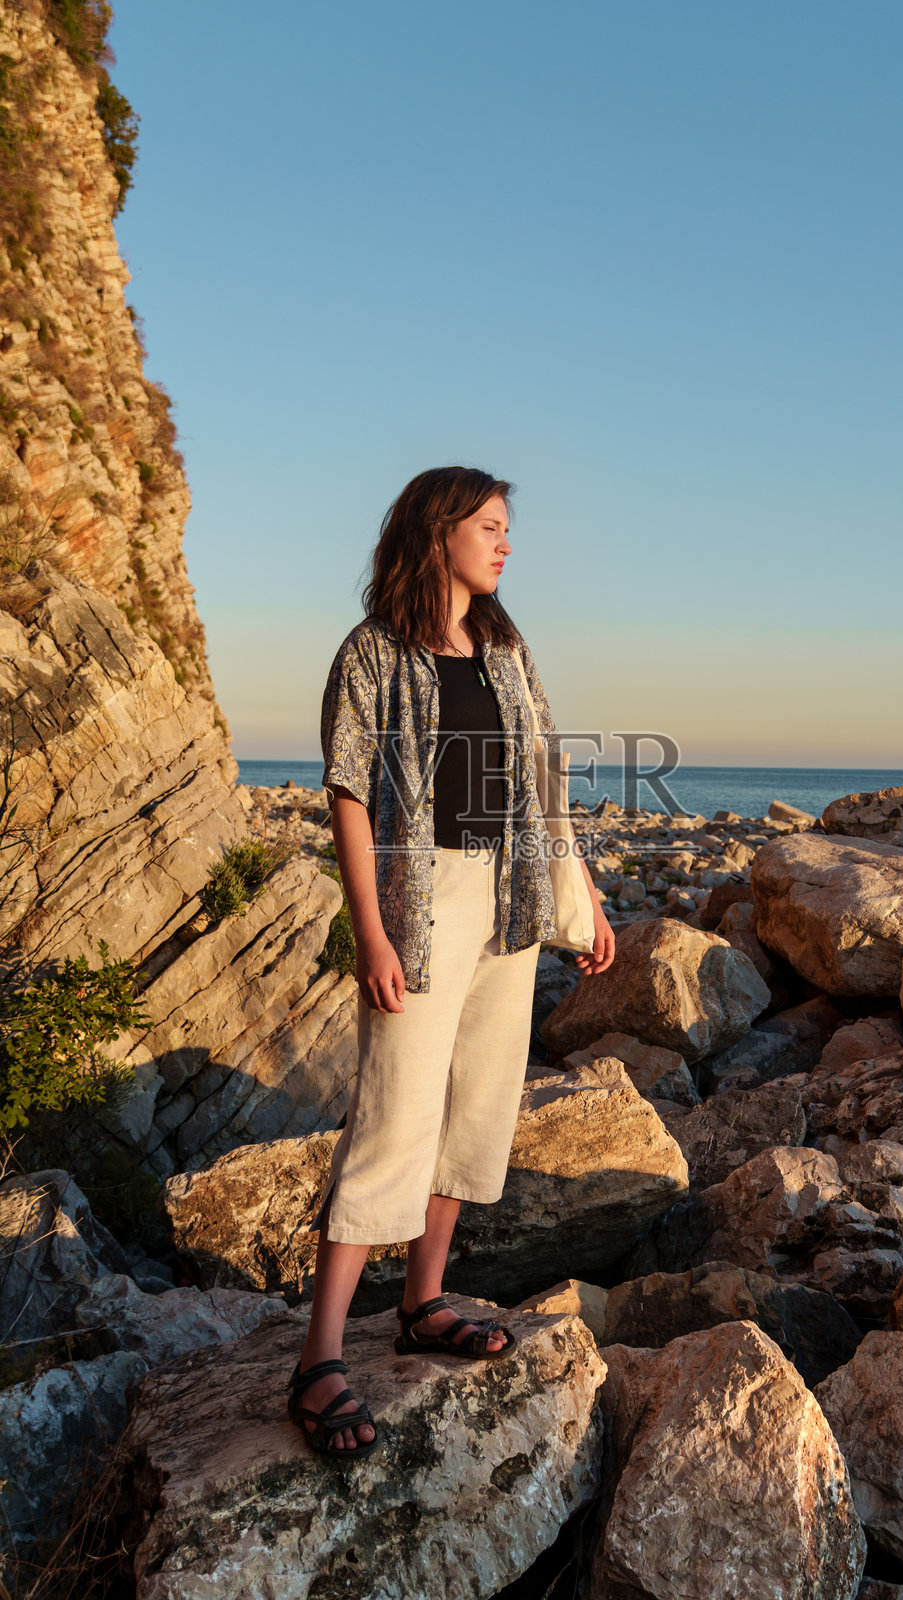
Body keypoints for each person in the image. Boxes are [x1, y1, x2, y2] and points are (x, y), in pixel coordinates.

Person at [287, 465, 616, 1458]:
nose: (505, 543)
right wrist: (374, 930)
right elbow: (350, 791)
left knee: (475, 1106)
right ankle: (317, 1358)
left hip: (511, 904)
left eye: (506, 528)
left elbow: (544, 777)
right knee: (392, 1112)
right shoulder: (373, 654)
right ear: (438, 533)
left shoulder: (506, 649)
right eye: (489, 525)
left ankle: (424, 1300)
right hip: (420, 901)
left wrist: (584, 894)